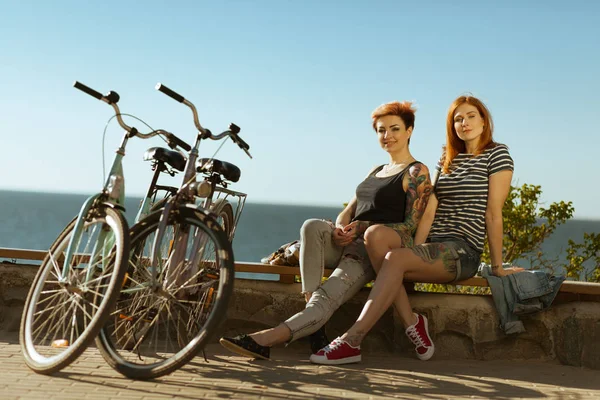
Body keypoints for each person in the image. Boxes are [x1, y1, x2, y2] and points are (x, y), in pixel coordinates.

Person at [310, 94, 524, 365]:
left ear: (484, 120)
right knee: (376, 237)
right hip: (432, 244)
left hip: (462, 250)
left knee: (394, 260)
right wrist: (414, 245)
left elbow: (493, 213)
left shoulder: (497, 154)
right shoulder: (448, 156)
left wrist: (497, 267)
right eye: (458, 119)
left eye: (471, 116)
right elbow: (430, 207)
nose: (464, 123)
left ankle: (352, 340)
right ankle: (412, 323)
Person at [219, 100, 433, 360]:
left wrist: (361, 228)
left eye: (395, 129)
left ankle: (266, 339)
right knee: (312, 226)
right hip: (348, 241)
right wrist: (341, 227)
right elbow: (349, 210)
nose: (387, 136)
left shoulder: (416, 171)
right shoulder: (376, 170)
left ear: (409, 131)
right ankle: (313, 320)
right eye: (381, 130)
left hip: (371, 250)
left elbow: (409, 226)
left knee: (327, 295)